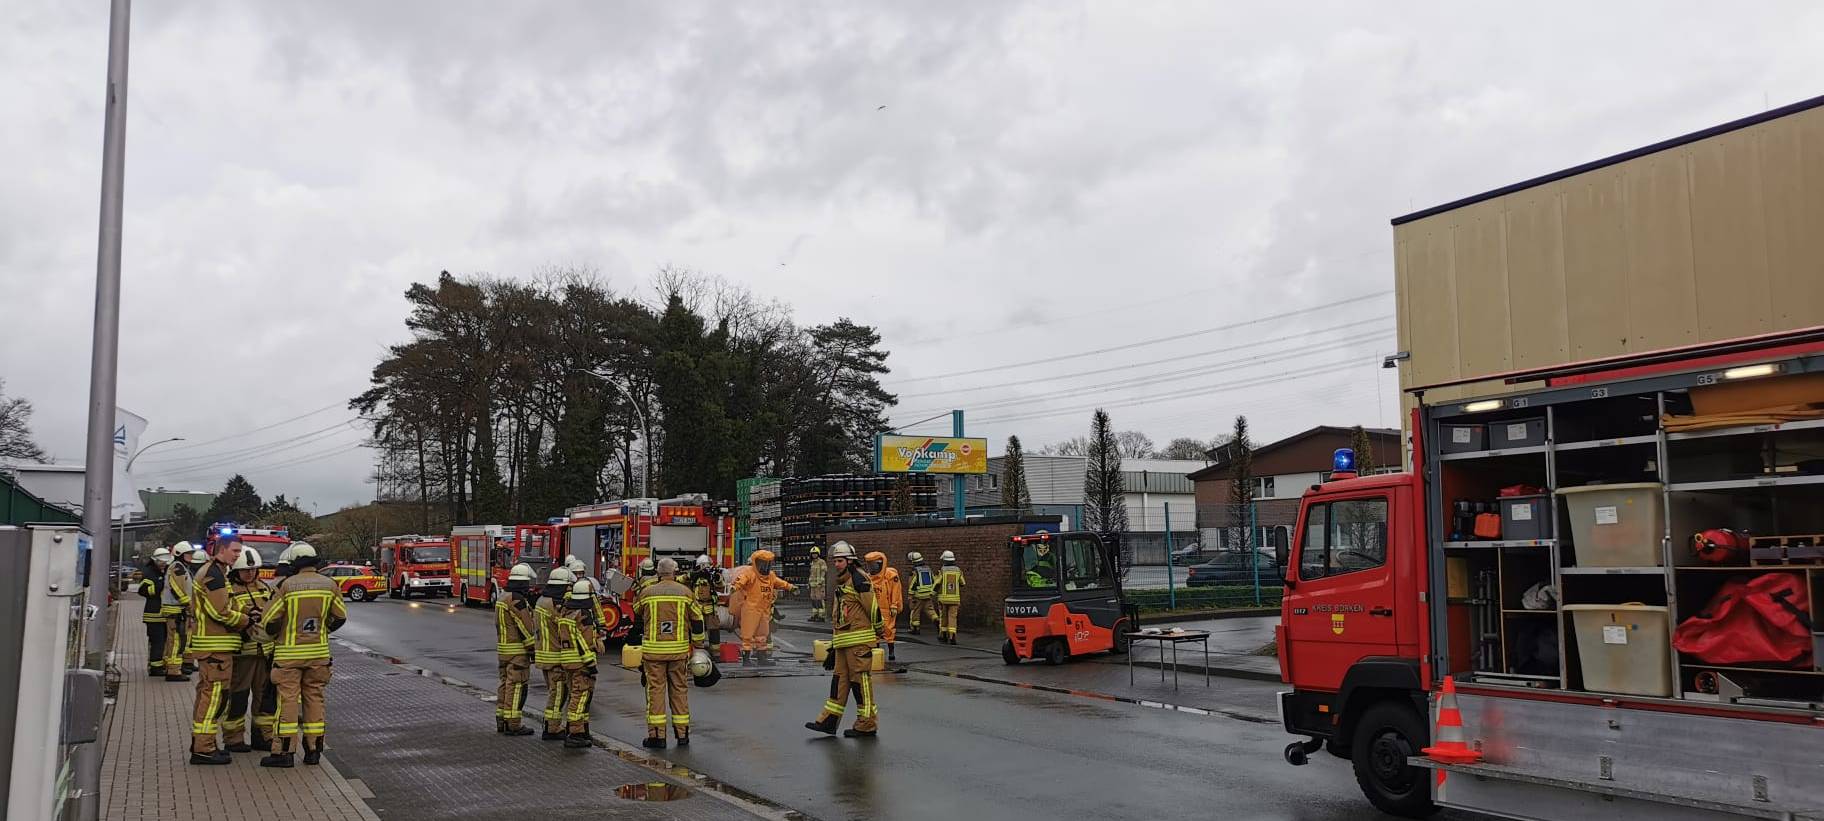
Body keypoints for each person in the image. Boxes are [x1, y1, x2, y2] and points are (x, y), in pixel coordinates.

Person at [258, 542, 347, 768]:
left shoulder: (287, 586)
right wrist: (322, 630)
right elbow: (340, 616)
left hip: (288, 655)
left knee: (287, 701)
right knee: (314, 699)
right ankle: (313, 752)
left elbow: (269, 622)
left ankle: (284, 753)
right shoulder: (330, 585)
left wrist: (280, 632)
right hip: (319, 654)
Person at [804, 541, 884, 738]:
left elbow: (872, 608)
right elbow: (842, 616)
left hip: (858, 645)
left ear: (850, 561)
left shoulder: (859, 580)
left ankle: (867, 723)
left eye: (840, 561)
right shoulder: (844, 581)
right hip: (844, 644)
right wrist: (834, 646)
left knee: (860, 682)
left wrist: (881, 630)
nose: (836, 565)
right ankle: (829, 720)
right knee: (839, 682)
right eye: (835, 561)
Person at [628, 557, 704, 748]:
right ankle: (682, 734)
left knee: (655, 692)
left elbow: (637, 611)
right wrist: (698, 644)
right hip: (679, 652)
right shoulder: (686, 593)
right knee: (679, 690)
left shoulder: (647, 593)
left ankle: (657, 737)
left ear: (658, 573)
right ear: (675, 572)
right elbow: (697, 620)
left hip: (653, 653)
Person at [186, 536, 250, 765]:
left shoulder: (217, 573)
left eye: (239, 551)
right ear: (222, 550)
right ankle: (204, 749)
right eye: (235, 550)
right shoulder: (213, 575)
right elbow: (221, 612)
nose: (237, 555)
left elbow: (226, 605)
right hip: (214, 648)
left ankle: (204, 743)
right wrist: (245, 620)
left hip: (214, 648)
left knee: (210, 696)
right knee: (214, 698)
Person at [224, 549, 275, 753]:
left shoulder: (264, 587)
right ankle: (233, 739)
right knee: (238, 696)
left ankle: (262, 736)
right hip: (242, 653)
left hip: (264, 653)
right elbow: (227, 616)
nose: (250, 574)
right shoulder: (229, 591)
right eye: (246, 570)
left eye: (253, 570)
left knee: (264, 697)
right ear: (235, 571)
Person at [494, 563, 539, 736]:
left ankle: (502, 719)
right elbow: (525, 627)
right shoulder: (517, 600)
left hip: (504, 650)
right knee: (517, 686)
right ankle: (513, 724)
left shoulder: (502, 597)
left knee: (505, 684)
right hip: (517, 652)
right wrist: (533, 650)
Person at [534, 566, 577, 741]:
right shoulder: (555, 605)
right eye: (569, 586)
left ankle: (551, 724)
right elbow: (564, 625)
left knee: (554, 691)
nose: (570, 590)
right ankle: (552, 728)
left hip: (544, 654)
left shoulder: (541, 600)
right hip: (554, 656)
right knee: (558, 692)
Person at [557, 580, 601, 749]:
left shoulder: (566, 612)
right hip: (580, 662)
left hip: (567, 660)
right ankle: (575, 733)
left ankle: (578, 730)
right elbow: (583, 642)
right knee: (581, 696)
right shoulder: (583, 615)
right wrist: (590, 664)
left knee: (574, 695)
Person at [732, 549, 793, 666]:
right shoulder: (750, 573)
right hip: (751, 609)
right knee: (747, 635)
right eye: (763, 563)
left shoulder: (770, 576)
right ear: (756, 563)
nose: (765, 566)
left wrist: (790, 587)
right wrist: (734, 587)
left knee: (762, 634)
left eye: (768, 563)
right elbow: (741, 581)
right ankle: (746, 659)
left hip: (764, 609)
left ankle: (762, 658)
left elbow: (779, 582)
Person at [161, 542, 196, 681]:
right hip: (176, 610)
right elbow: (176, 587)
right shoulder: (177, 567)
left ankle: (175, 668)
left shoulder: (182, 567)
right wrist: (187, 602)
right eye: (188, 554)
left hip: (179, 609)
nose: (191, 556)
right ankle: (173, 671)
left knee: (179, 640)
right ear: (180, 555)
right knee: (175, 641)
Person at [138, 547, 173, 678]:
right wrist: (161, 586)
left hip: (163, 614)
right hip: (153, 614)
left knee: (164, 640)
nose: (163, 563)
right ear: (155, 560)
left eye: (165, 561)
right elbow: (143, 590)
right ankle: (155, 667)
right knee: (157, 641)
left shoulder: (164, 571)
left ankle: (160, 664)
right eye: (161, 561)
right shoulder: (149, 572)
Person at [865, 551, 903, 661]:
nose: (872, 568)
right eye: (870, 565)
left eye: (874, 565)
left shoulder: (890, 576)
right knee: (874, 631)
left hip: (887, 608)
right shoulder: (869, 577)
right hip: (874, 608)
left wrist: (894, 605)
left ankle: (891, 652)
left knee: (888, 630)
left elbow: (895, 591)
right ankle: (877, 653)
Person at [687, 554, 723, 657]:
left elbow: (721, 585)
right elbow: (681, 580)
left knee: (714, 632)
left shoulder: (712, 576)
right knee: (697, 633)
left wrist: (717, 577)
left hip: (710, 610)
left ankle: (715, 654)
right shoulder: (694, 577)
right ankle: (697, 653)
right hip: (696, 610)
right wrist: (693, 575)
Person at [935, 550, 966, 645]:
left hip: (943, 599)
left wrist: (933, 592)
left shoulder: (942, 570)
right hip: (955, 599)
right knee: (952, 617)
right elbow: (963, 583)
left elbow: (937, 582)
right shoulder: (958, 570)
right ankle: (952, 636)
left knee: (943, 616)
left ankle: (943, 635)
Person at [905, 551, 938, 636]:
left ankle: (915, 629)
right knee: (930, 610)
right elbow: (934, 580)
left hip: (918, 595)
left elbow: (913, 583)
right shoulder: (928, 569)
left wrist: (910, 595)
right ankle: (936, 620)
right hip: (928, 595)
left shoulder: (915, 571)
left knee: (915, 611)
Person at [806, 546, 827, 622]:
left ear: (818, 554)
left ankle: (821, 616)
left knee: (819, 600)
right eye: (813, 554)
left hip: (819, 585)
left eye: (815, 553)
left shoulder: (822, 562)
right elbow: (811, 574)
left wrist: (820, 581)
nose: (814, 555)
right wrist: (809, 583)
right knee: (813, 600)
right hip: (812, 585)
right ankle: (815, 615)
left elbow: (823, 572)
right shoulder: (812, 563)